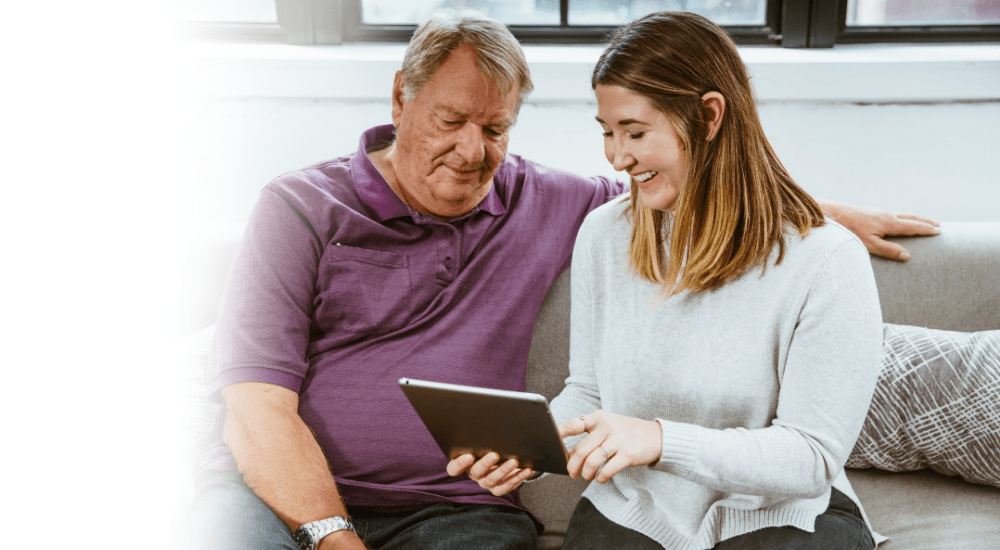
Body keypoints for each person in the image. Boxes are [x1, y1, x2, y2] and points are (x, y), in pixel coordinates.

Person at [190, 9, 935, 550]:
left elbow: (715, 189)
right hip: (279, 501)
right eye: (450, 120)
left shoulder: (558, 203)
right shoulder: (299, 208)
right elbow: (256, 408)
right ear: (399, 99)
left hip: (454, 513)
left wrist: (815, 213)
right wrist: (334, 537)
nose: (472, 150)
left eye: (495, 128)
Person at [454, 11, 887, 550]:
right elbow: (589, 391)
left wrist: (659, 441)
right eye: (608, 133)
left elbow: (811, 457)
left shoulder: (825, 261)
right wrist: (531, 451)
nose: (617, 157)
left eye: (635, 132)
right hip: (637, 511)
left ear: (708, 117)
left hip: (780, 517)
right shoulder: (605, 236)